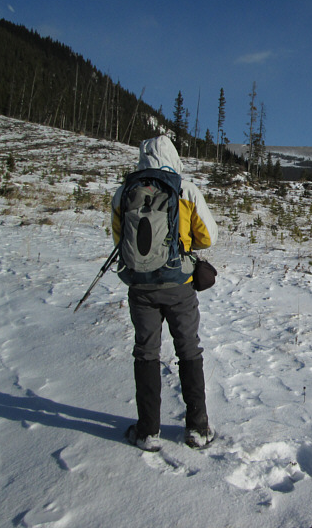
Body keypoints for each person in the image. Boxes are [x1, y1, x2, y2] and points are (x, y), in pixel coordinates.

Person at [111, 135, 218, 451]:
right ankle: (197, 428)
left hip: (140, 287)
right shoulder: (185, 190)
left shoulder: (125, 191)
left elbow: (119, 239)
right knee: (188, 350)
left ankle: (147, 431)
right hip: (179, 285)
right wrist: (185, 248)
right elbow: (208, 237)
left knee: (146, 352)